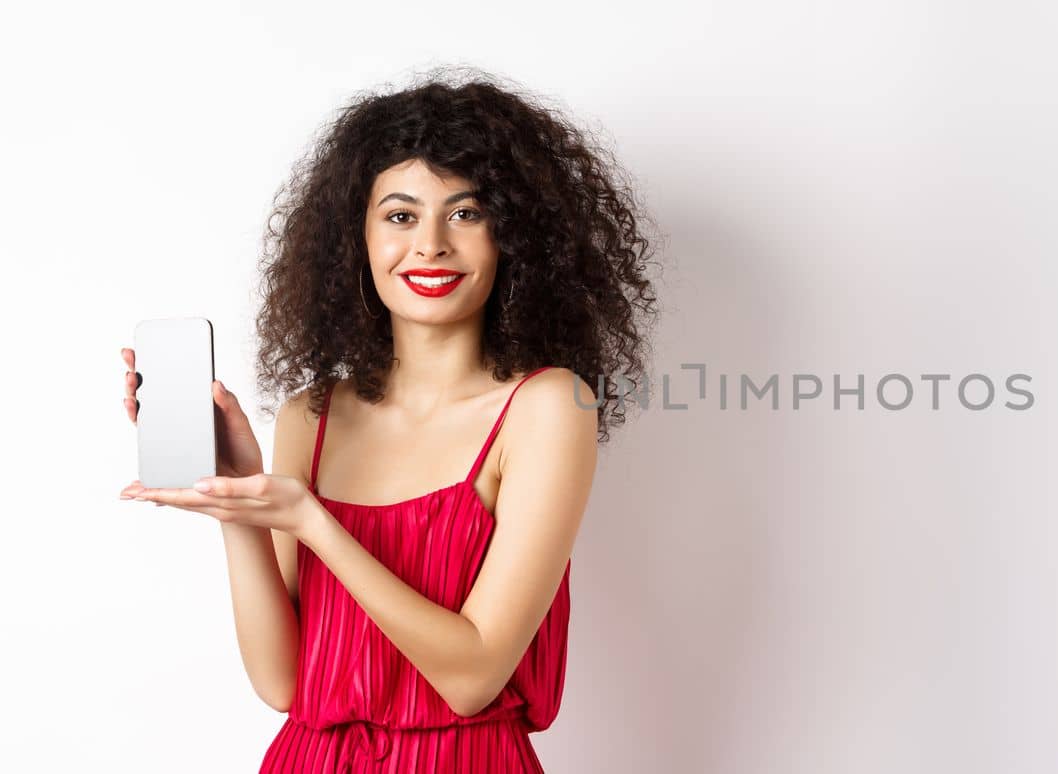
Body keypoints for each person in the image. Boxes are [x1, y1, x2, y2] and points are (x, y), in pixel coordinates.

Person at [118, 67, 659, 772]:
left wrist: (313, 521)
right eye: (401, 216)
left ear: (515, 236)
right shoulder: (310, 415)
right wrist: (240, 503)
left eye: (466, 213)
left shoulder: (549, 406)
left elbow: (471, 679)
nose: (431, 245)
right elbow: (282, 683)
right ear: (358, 239)